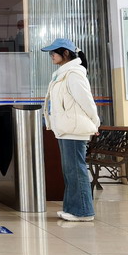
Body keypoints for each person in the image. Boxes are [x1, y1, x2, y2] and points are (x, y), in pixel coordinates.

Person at [42, 38, 100, 222]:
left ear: (65, 53)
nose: (51, 56)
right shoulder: (63, 74)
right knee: (70, 172)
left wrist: (95, 122)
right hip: (66, 129)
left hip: (74, 129)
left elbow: (86, 101)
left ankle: (83, 212)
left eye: (54, 52)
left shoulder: (74, 74)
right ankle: (72, 209)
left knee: (76, 170)